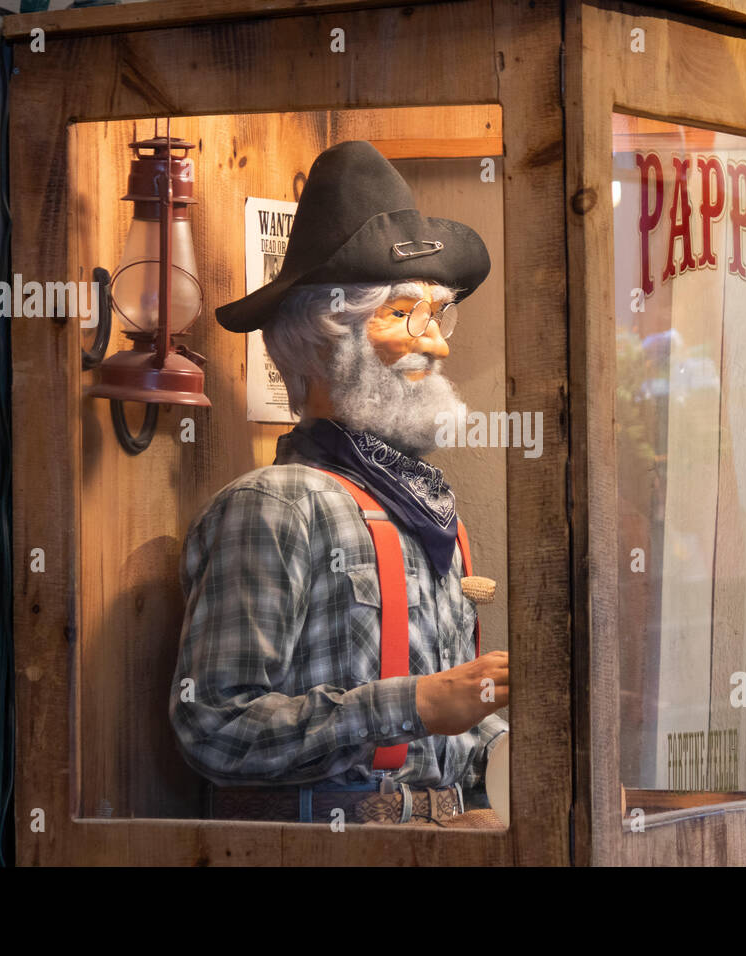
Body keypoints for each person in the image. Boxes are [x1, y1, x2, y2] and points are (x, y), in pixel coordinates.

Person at [169, 140, 508, 826]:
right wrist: (412, 704)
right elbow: (211, 726)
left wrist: (488, 777)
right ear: (329, 334)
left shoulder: (429, 512)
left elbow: (452, 739)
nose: (437, 344)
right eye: (405, 313)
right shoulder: (273, 507)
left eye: (438, 315)